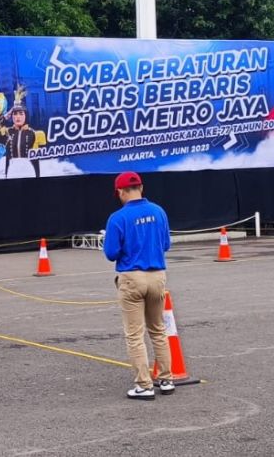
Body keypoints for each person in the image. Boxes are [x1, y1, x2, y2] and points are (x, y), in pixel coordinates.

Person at [103, 171, 174, 401]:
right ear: (141, 188)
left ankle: (144, 384)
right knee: (158, 330)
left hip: (132, 277)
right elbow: (166, 244)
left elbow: (111, 253)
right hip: (157, 276)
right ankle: (166, 379)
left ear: (121, 192)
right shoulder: (159, 211)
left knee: (135, 335)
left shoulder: (118, 218)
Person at [0, 96, 46, 178]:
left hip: (30, 172)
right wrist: (5, 118)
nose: (18, 117)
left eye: (21, 114)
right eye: (15, 114)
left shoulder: (35, 134)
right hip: (11, 173)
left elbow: (41, 159)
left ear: (26, 116)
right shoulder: (6, 132)